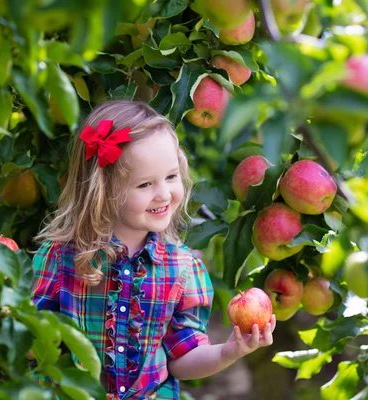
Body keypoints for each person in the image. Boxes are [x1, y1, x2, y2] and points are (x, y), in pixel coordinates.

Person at [31, 100, 276, 399]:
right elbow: (34, 347)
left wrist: (228, 352)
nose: (164, 194)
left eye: (171, 177)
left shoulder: (183, 269)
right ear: (102, 190)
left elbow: (181, 359)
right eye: (145, 184)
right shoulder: (61, 258)